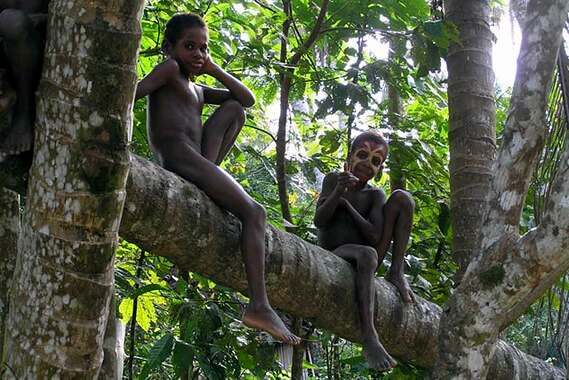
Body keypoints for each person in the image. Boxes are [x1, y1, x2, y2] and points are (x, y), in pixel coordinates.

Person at [134, 13, 300, 345]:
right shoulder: (169, 71)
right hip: (178, 156)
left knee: (234, 110)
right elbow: (136, 91)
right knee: (255, 213)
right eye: (189, 46)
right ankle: (259, 305)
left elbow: (246, 100)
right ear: (170, 48)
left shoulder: (196, 87)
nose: (197, 54)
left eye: (203, 48)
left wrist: (213, 69)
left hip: (197, 160)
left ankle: (208, 181)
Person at [314, 130, 415, 371]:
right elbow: (320, 221)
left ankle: (397, 272)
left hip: (366, 256)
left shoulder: (375, 195)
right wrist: (339, 191)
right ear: (349, 158)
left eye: (375, 161)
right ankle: (369, 336)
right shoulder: (333, 180)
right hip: (335, 254)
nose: (367, 164)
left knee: (402, 199)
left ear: (380, 170)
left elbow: (374, 235)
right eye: (363, 155)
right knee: (366, 254)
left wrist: (347, 205)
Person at [0, 0, 48, 158]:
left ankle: (23, 112)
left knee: (11, 21)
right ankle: (7, 90)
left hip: (33, 46)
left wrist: (41, 19)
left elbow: (74, 18)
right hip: (6, 48)